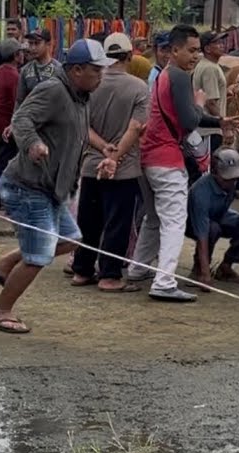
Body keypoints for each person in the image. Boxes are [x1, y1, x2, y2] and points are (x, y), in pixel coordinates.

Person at [0, 39, 114, 334]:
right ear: (77, 70)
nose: (101, 76)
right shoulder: (53, 89)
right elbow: (22, 118)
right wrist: (34, 143)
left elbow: (80, 132)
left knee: (71, 239)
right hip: (27, 186)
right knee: (38, 256)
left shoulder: (82, 97)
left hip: (52, 188)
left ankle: (4, 265)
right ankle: (0, 312)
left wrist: (105, 150)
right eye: (97, 70)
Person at [130, 24, 239, 302]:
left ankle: (138, 268)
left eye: (198, 51)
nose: (196, 56)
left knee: (154, 218)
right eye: (191, 51)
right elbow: (190, 120)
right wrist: (201, 102)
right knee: (174, 221)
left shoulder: (165, 76)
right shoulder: (180, 77)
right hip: (167, 159)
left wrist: (218, 121)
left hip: (149, 156)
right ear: (174, 50)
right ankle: (164, 281)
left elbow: (180, 115)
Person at [70, 32, 149, 293]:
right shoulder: (139, 87)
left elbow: (82, 126)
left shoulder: (91, 84)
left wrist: (103, 150)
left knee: (88, 220)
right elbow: (136, 128)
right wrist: (114, 157)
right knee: (117, 223)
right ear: (130, 56)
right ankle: (110, 275)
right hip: (123, 169)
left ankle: (82, 270)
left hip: (91, 165)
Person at [185, 147, 239, 287]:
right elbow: (202, 236)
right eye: (227, 178)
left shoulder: (238, 177)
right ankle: (198, 269)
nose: (232, 181)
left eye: (235, 177)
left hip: (220, 214)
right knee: (212, 230)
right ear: (214, 173)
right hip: (193, 223)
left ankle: (226, 268)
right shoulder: (200, 192)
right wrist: (205, 272)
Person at [0, 37, 23, 203]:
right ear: (16, 55)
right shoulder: (13, 75)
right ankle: (0, 196)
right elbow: (18, 100)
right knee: (5, 161)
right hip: (7, 124)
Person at [192, 31, 227, 155]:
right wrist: (225, 124)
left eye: (222, 42)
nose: (222, 45)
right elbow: (211, 102)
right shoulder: (210, 69)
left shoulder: (207, 65)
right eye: (217, 42)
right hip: (210, 130)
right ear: (207, 48)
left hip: (207, 128)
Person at [15, 29, 62, 109]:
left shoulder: (59, 70)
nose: (33, 48)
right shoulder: (25, 70)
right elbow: (19, 100)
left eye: (37, 43)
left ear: (48, 44)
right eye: (30, 43)